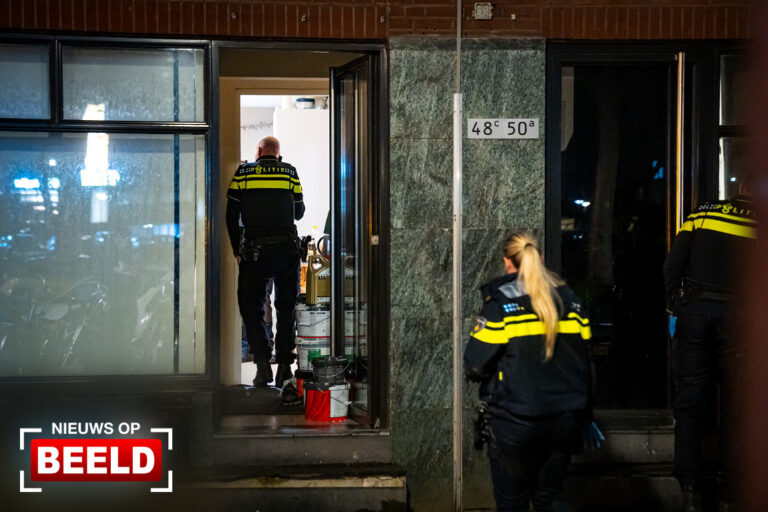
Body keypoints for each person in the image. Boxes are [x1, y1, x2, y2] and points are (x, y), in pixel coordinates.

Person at [464, 232, 594, 512]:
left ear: (507, 263)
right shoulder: (570, 300)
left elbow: (474, 364)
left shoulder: (500, 305)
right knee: (550, 498)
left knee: (513, 502)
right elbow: (587, 359)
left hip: (516, 423)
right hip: (565, 420)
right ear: (541, 258)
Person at [663, 187, 756, 512]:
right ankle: (731, 490)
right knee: (736, 405)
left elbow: (673, 265)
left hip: (696, 312)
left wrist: (676, 305)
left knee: (690, 402)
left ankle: (689, 489)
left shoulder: (703, 213)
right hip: (739, 318)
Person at [226, 136, 304, 387]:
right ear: (278, 155)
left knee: (252, 306)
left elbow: (231, 214)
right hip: (286, 249)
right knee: (285, 306)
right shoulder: (289, 172)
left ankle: (262, 366)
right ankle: (284, 367)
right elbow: (299, 213)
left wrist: (236, 249)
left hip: (253, 251)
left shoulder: (244, 172)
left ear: (258, 151)